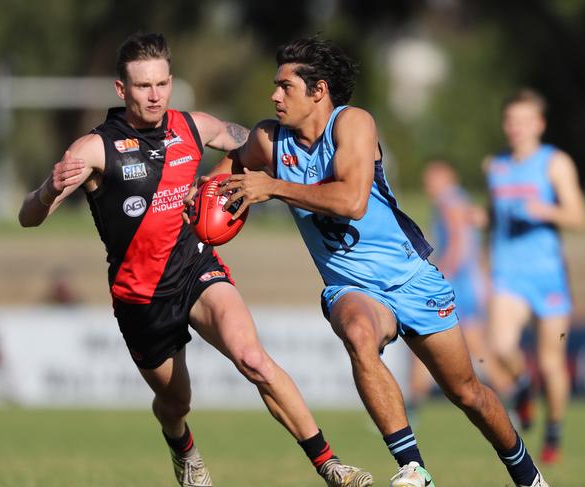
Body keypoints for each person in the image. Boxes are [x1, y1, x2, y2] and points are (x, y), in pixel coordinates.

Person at [18, 32, 372, 487]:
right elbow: (29, 217)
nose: (155, 95)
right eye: (143, 87)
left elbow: (256, 143)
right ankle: (181, 445)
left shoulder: (194, 126)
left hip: (197, 268)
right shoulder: (94, 149)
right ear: (122, 90)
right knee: (175, 403)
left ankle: (330, 465)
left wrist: (312, 153)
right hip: (141, 295)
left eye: (162, 84)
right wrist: (47, 189)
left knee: (252, 358)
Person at [202, 36, 550, 487]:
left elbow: (351, 200)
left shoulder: (354, 125)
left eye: (285, 86)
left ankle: (527, 476)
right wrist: (202, 206)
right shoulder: (271, 140)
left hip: (411, 276)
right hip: (353, 287)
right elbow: (231, 167)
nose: (274, 95)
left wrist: (272, 187)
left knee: (468, 393)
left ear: (319, 90)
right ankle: (413, 469)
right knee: (359, 334)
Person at [484, 89, 585, 464]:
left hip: (548, 277)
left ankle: (554, 432)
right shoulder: (495, 167)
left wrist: (546, 210)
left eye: (525, 121)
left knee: (550, 362)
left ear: (539, 125)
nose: (517, 128)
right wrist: (480, 219)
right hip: (507, 275)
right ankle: (523, 388)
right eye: (511, 121)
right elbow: (494, 216)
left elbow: (578, 217)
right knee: (500, 347)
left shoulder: (555, 163)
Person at [406, 160, 509, 425]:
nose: (427, 185)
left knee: (450, 343)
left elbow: (458, 241)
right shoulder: (459, 200)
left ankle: (513, 399)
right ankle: (411, 410)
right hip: (465, 284)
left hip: (457, 286)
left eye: (431, 178)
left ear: (446, 177)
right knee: (445, 343)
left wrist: (442, 274)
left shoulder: (447, 201)